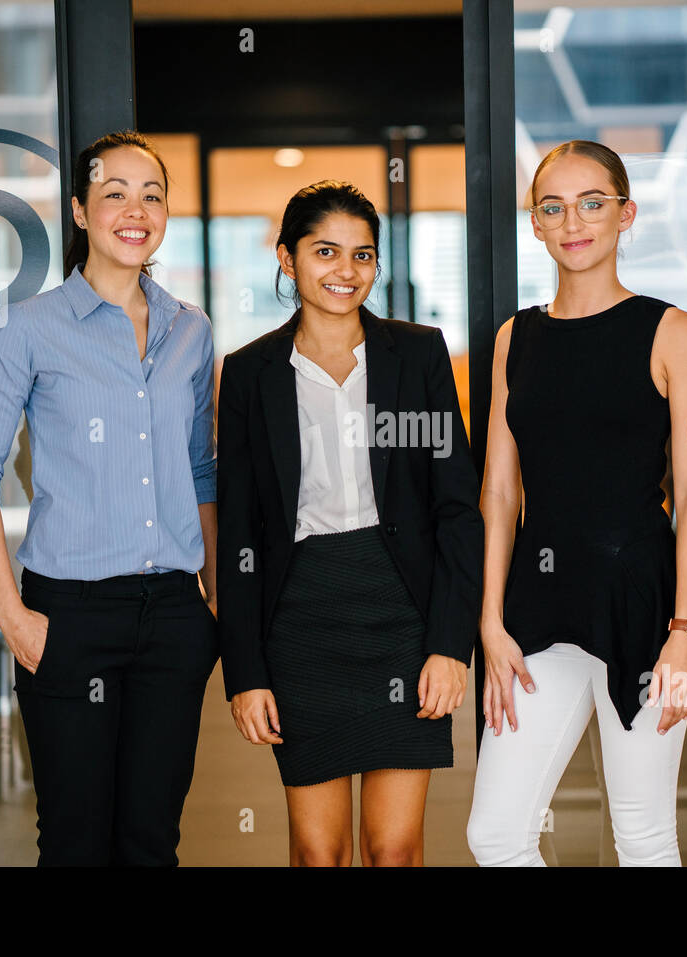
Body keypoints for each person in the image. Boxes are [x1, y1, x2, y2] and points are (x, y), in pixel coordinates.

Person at [0, 130, 219, 866]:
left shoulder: (191, 332)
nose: (136, 211)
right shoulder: (31, 329)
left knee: (151, 842)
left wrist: (215, 605)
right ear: (78, 209)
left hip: (172, 616)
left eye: (152, 195)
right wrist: (16, 618)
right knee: (73, 843)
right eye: (114, 195)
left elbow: (201, 472)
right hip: (68, 615)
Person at [466, 140, 687, 867]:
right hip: (536, 611)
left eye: (592, 202)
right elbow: (498, 489)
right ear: (537, 225)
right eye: (553, 206)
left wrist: (685, 628)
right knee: (495, 834)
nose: (572, 220)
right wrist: (489, 619)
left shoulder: (674, 332)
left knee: (643, 838)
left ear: (626, 214)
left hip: (647, 607)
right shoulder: (515, 338)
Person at [217, 180, 483, 866]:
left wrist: (451, 646)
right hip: (301, 623)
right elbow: (240, 535)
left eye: (363, 255)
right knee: (318, 852)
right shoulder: (250, 375)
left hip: (402, 615)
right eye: (325, 251)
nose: (346, 270)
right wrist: (246, 671)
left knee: (394, 850)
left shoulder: (419, 356)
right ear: (287, 258)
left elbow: (456, 507)